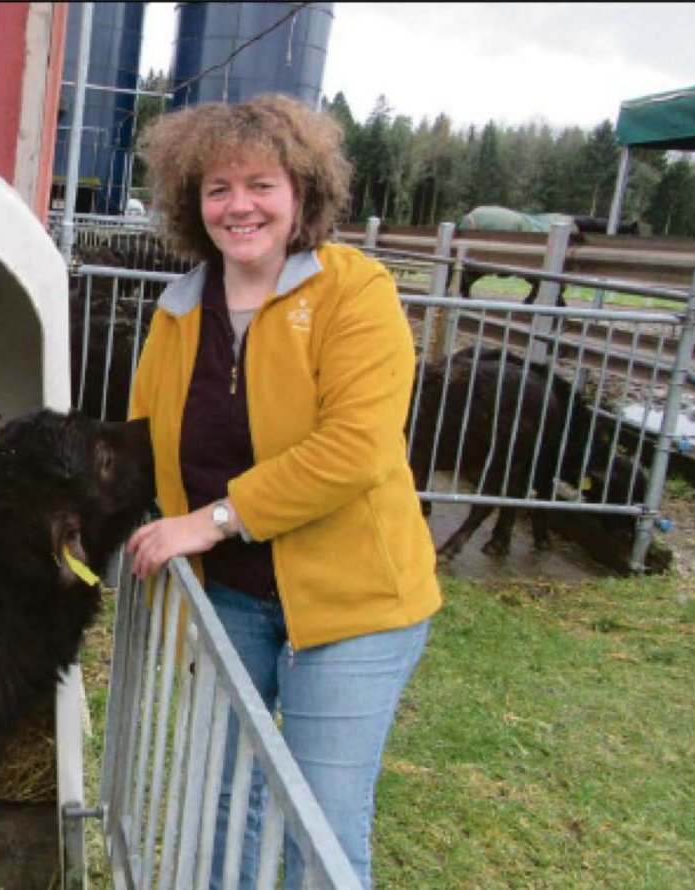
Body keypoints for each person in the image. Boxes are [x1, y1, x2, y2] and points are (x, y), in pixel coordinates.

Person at [124, 94, 440, 889]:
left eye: (261, 184)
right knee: (225, 800)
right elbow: (141, 444)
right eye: (218, 188)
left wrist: (215, 519)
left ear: (302, 194)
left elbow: (356, 450)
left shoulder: (353, 293)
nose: (241, 206)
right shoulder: (177, 315)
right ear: (192, 206)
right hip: (231, 600)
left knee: (321, 823)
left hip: (353, 605)